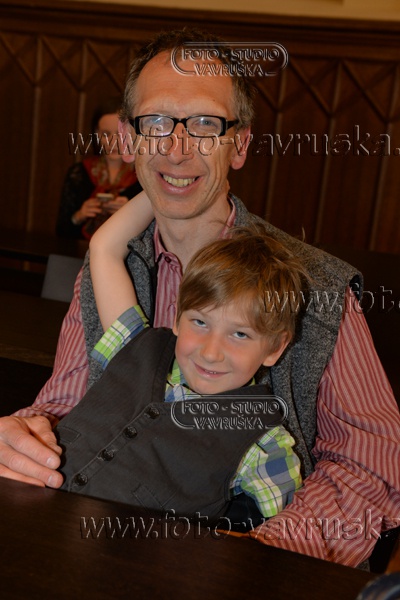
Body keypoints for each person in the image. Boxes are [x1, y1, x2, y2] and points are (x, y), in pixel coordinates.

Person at [1, 29, 399, 567]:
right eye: (157, 123)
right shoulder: (107, 272)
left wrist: (256, 556)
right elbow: (64, 405)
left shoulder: (315, 285)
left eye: (206, 124)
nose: (177, 148)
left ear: (241, 145)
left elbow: (372, 468)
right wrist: (22, 435)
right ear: (130, 139)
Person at [55, 197, 307, 525]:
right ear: (177, 317)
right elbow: (104, 248)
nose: (210, 352)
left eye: (240, 334)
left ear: (275, 348)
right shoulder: (135, 346)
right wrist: (165, 183)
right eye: (200, 322)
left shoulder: (264, 444)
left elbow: (285, 536)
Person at [56, 96, 142, 239]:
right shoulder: (80, 172)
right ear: (97, 134)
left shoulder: (143, 175)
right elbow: (61, 232)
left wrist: (132, 213)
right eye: (106, 134)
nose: (113, 142)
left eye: (120, 134)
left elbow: (156, 237)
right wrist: (79, 216)